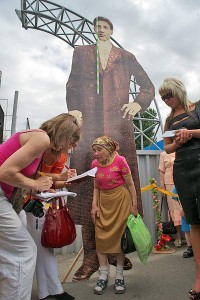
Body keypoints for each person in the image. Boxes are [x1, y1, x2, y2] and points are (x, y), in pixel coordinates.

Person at [66, 15, 155, 280]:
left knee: (123, 187)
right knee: (85, 190)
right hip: (88, 125)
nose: (100, 30)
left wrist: (138, 103)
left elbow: (147, 86)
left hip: (119, 126)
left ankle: (118, 252)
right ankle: (91, 255)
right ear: (93, 30)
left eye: (105, 27)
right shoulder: (81, 53)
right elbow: (71, 84)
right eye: (97, 27)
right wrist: (74, 110)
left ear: (112, 30)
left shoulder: (125, 56)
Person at [0, 113, 80, 300]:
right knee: (24, 251)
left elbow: (20, 176)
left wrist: (40, 189)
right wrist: (36, 185)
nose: (68, 147)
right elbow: (4, 172)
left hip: (7, 197)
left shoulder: (40, 143)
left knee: (11, 255)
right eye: (70, 142)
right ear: (64, 135)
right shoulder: (42, 139)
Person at [159, 77, 200, 300]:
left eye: (168, 95)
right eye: (162, 98)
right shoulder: (168, 120)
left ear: (178, 91)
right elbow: (167, 147)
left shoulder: (198, 107)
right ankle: (199, 278)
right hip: (182, 168)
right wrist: (179, 141)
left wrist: (189, 133)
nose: (166, 100)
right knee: (194, 220)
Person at [26, 150, 77, 300]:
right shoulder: (38, 151)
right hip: (29, 202)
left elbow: (51, 182)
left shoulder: (61, 156)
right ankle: (55, 290)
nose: (72, 147)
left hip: (41, 202)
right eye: (71, 142)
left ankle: (45, 292)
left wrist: (66, 183)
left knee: (41, 248)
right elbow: (30, 177)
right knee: (43, 248)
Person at [91, 136, 138, 295]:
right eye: (94, 150)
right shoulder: (94, 164)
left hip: (121, 201)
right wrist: (94, 206)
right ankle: (103, 275)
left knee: (119, 239)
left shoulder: (120, 161)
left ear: (109, 149)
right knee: (100, 237)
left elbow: (130, 185)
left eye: (99, 150)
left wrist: (134, 205)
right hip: (104, 203)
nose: (96, 154)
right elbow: (96, 188)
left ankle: (119, 275)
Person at [159, 151, 182, 246]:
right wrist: (162, 187)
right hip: (169, 184)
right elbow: (161, 171)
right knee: (174, 209)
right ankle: (178, 236)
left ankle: (190, 236)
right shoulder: (163, 154)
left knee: (184, 208)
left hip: (182, 182)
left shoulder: (180, 151)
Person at [172, 186, 193, 258]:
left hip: (194, 209)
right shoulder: (177, 187)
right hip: (184, 211)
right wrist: (180, 210)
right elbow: (175, 199)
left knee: (195, 229)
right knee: (187, 230)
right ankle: (190, 248)